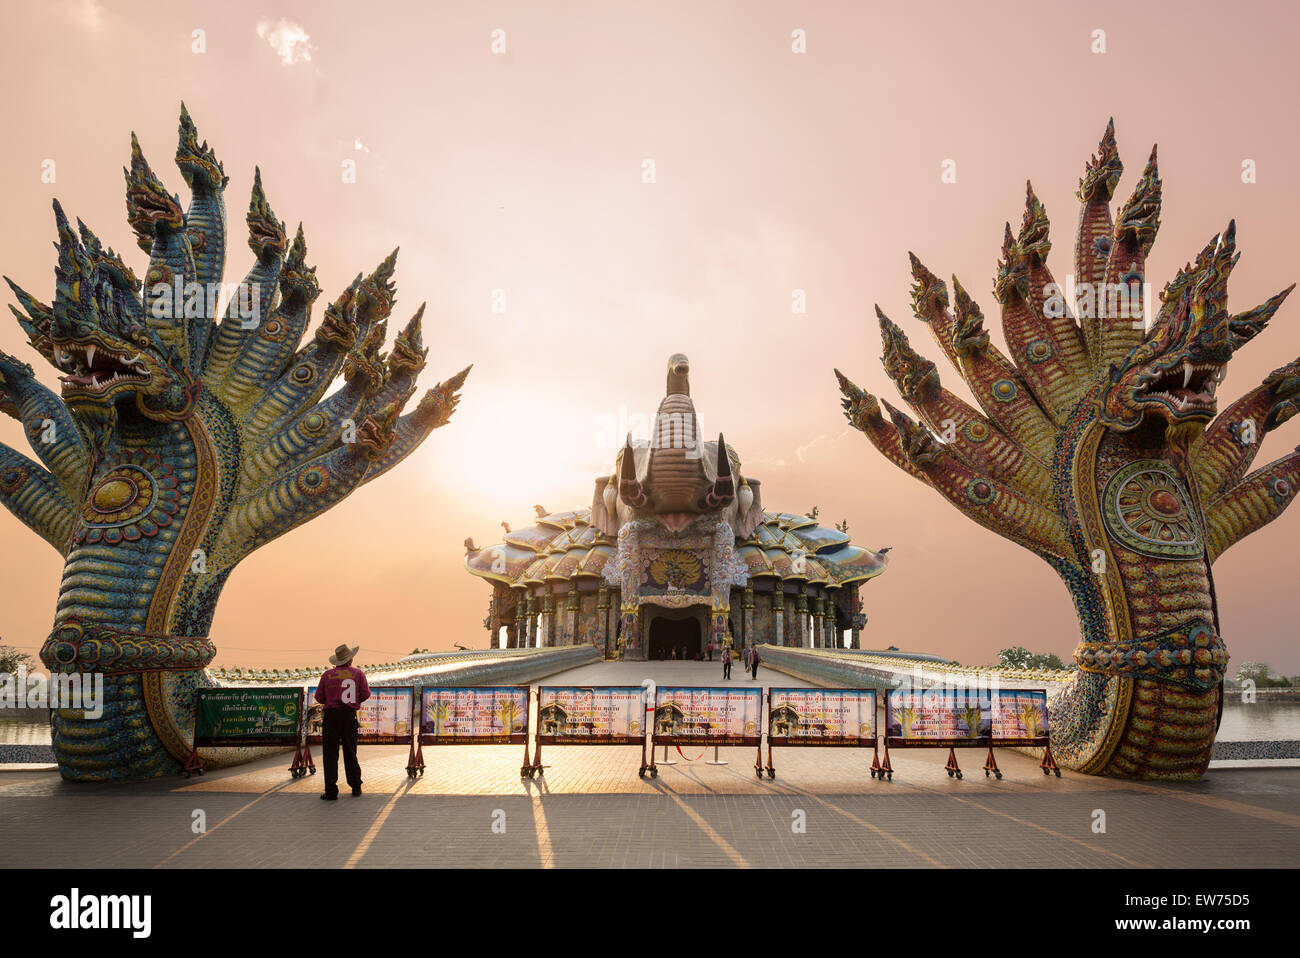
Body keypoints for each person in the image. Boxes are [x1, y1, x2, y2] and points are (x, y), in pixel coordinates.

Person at [315, 643, 371, 800]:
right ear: (350, 660)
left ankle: (331, 790)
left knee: (330, 754)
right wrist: (354, 700)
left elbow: (319, 697)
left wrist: (332, 697)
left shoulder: (327, 675)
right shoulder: (358, 674)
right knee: (350, 751)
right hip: (349, 716)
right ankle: (355, 786)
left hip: (331, 717)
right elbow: (366, 694)